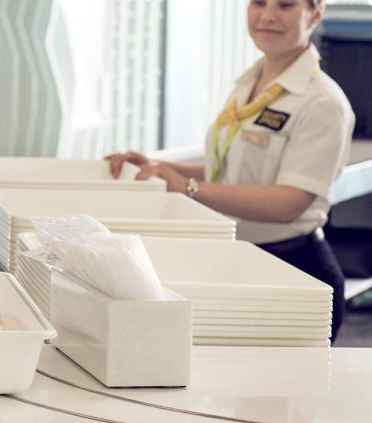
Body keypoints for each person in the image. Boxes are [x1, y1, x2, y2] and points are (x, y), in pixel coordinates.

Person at [106, 0, 353, 340]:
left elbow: (289, 203)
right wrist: (160, 168)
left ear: (315, 14)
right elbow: (233, 171)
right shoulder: (250, 83)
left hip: (294, 269)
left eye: (285, 5)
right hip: (241, 260)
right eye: (258, 3)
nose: (267, 16)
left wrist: (187, 187)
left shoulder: (322, 101)